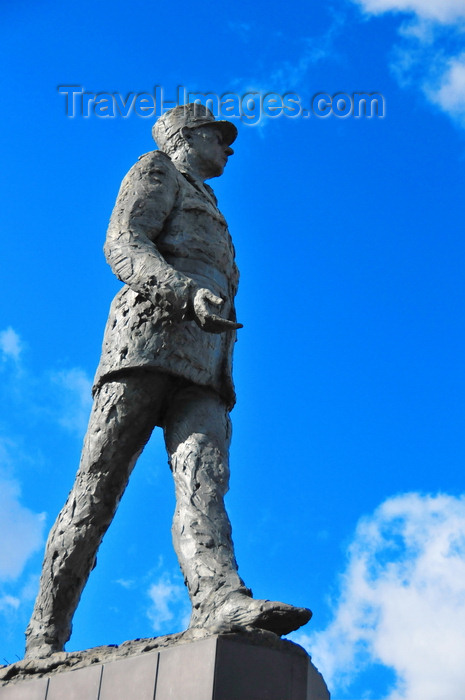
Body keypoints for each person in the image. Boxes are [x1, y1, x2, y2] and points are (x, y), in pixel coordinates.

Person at [25, 104, 311, 660]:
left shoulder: (213, 205)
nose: (228, 146)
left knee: (205, 481)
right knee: (97, 491)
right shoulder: (156, 170)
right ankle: (44, 636)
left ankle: (218, 599)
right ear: (185, 137)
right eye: (217, 135)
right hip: (144, 347)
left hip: (205, 365)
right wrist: (183, 292)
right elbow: (123, 242)